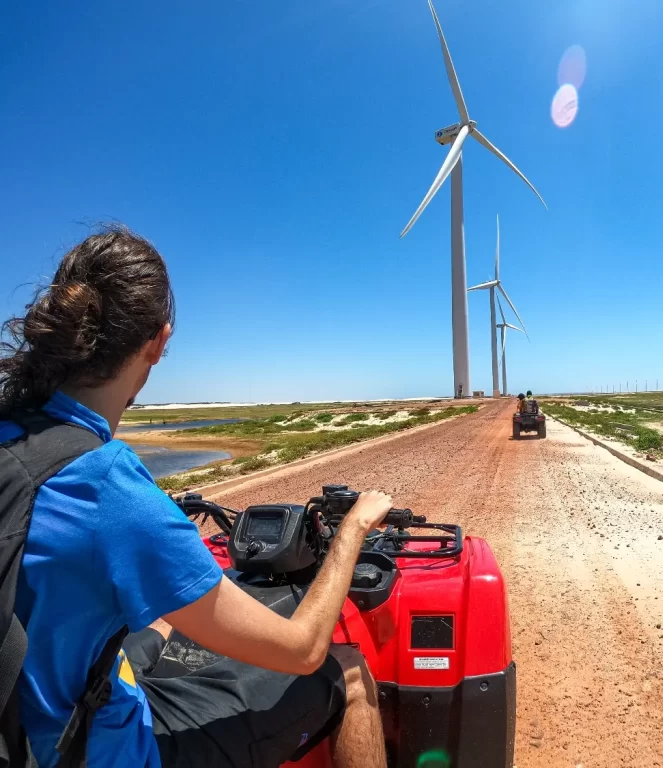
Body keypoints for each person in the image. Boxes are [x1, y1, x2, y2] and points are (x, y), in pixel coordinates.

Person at [0, 227, 388, 768]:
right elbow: (302, 649)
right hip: (96, 750)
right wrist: (353, 532)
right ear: (158, 343)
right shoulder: (106, 483)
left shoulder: (12, 440)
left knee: (160, 625)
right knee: (342, 668)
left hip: (27, 720)